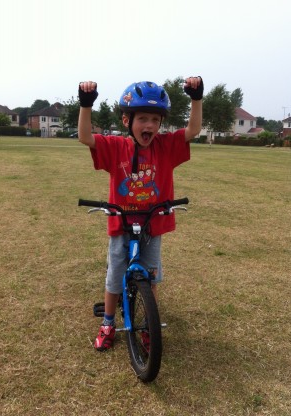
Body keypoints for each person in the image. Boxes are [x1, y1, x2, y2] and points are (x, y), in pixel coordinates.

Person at [78, 76, 203, 351]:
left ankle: (149, 324)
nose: (150, 125)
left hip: (152, 224)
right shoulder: (115, 147)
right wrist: (85, 104)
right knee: (115, 277)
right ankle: (109, 322)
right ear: (127, 121)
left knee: (151, 278)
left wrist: (196, 99)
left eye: (156, 120)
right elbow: (85, 137)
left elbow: (193, 130)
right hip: (122, 225)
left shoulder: (165, 146)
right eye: (143, 118)